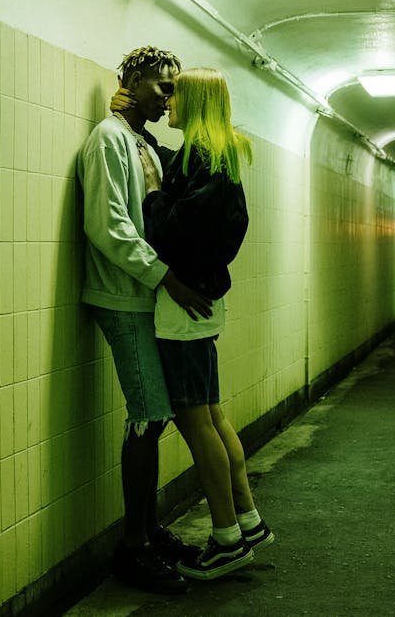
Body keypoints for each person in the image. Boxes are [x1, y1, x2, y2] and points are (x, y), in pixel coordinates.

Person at [125, 67, 275, 581]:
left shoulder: (204, 159)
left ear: (196, 102)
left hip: (186, 304)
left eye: (175, 95)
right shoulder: (212, 156)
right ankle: (248, 520)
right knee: (213, 415)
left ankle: (227, 538)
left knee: (195, 423)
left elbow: (171, 227)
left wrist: (150, 194)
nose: (167, 103)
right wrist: (141, 138)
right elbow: (185, 186)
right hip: (206, 299)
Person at [76, 46, 214, 594]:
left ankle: (149, 531)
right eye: (162, 88)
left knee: (154, 418)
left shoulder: (143, 143)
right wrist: (168, 279)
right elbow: (108, 226)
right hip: (123, 296)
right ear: (132, 81)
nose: (170, 98)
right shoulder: (109, 140)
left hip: (144, 294)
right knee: (149, 414)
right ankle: (133, 547)